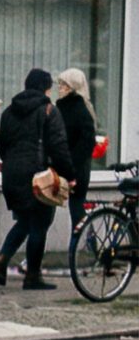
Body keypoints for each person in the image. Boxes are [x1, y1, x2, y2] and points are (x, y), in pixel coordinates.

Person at [0, 68, 76, 291]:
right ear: (46, 88)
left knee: (25, 222)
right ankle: (32, 276)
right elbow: (59, 148)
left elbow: (2, 145)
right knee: (40, 223)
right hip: (39, 176)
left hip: (12, 174)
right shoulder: (49, 110)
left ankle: (2, 257)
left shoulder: (9, 112)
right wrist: (69, 175)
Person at [56, 67, 97, 232]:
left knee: (77, 211)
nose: (59, 88)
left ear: (71, 88)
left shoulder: (77, 110)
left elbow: (87, 142)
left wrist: (71, 166)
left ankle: (87, 247)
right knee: (77, 210)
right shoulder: (76, 108)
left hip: (75, 170)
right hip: (71, 167)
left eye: (63, 85)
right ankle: (90, 245)